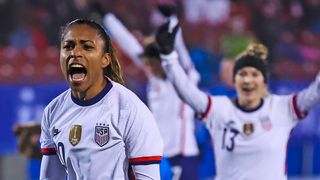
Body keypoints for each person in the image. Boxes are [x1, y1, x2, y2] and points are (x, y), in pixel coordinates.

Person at [156, 22, 320, 180]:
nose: (248, 80)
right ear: (235, 80)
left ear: (264, 81)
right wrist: (168, 57)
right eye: (242, 74)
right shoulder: (219, 109)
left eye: (254, 74)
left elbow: (314, 92)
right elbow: (187, 92)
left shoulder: (282, 108)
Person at [39, 19, 163, 180]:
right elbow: (51, 177)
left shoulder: (130, 109)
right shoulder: (52, 111)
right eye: (68, 46)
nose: (75, 53)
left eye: (87, 47)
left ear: (105, 59)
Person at [103, 6, 200, 180]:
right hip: (157, 152)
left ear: (161, 61)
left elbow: (181, 49)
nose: (147, 68)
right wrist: (108, 17)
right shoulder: (154, 77)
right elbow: (129, 44)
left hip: (183, 153)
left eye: (150, 64)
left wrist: (172, 20)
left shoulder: (185, 77)